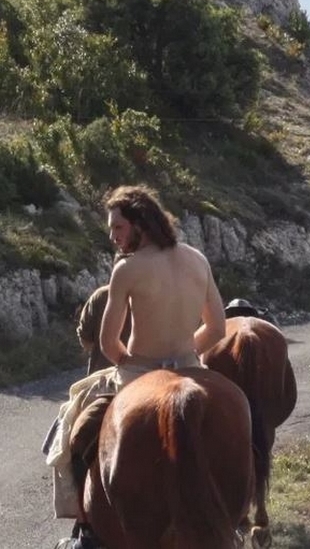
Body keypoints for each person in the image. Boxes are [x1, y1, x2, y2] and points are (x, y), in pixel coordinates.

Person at [47, 185, 228, 539]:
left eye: (118, 227)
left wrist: (127, 360)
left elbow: (107, 342)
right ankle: (235, 523)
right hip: (191, 368)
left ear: (139, 225)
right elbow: (218, 327)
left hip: (139, 373)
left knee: (74, 431)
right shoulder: (197, 259)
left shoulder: (127, 269)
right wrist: (185, 351)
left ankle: (84, 527)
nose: (112, 236)